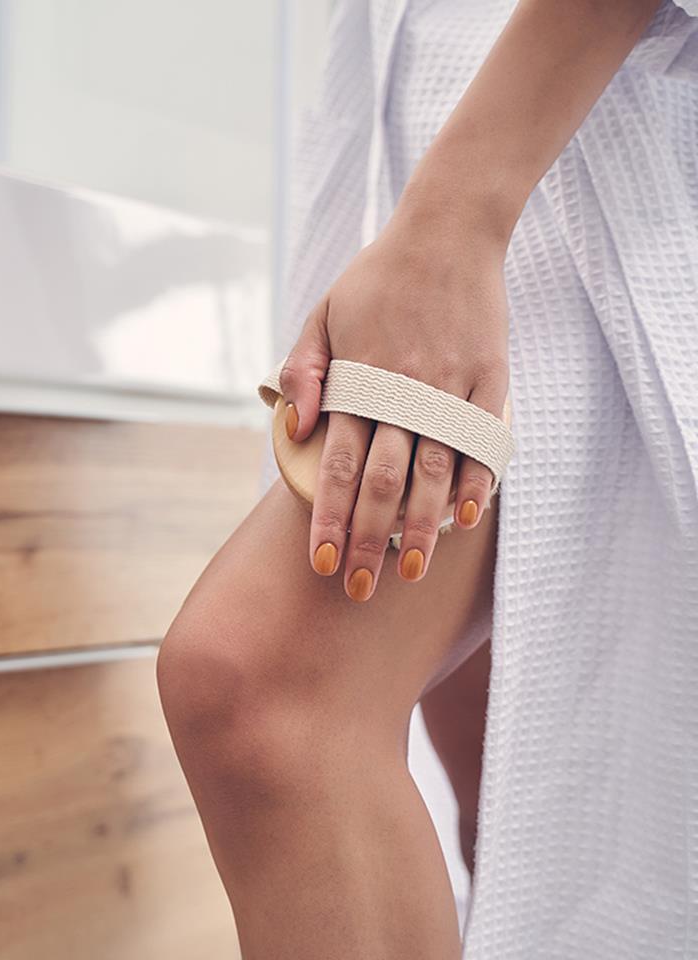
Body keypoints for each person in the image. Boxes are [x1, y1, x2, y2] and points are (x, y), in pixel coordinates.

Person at [156, 0, 698, 956]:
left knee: (262, 685)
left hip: (573, 188)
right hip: (437, 175)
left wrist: (458, 217)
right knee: (515, 821)